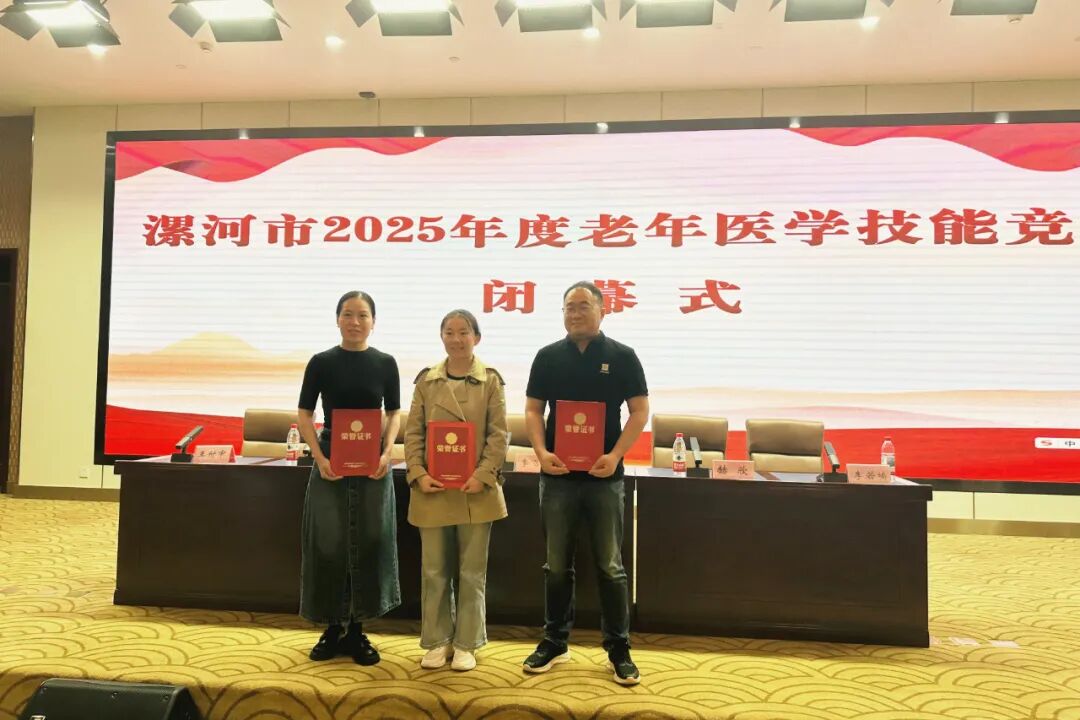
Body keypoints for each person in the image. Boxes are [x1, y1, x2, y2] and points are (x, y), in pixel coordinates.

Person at [521, 281, 649, 686]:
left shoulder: (622, 356)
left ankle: (618, 648)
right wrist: (541, 452)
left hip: (604, 478)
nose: (575, 313)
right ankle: (555, 641)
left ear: (603, 310)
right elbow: (533, 410)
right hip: (557, 477)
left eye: (583, 306)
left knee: (611, 566)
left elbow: (640, 411)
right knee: (556, 565)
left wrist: (616, 455)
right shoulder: (547, 356)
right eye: (569, 307)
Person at [296, 290, 402, 665]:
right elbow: (304, 413)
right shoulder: (321, 362)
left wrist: (387, 452)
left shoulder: (385, 363)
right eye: (347, 314)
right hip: (331, 458)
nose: (355, 322)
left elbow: (394, 413)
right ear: (337, 319)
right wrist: (319, 456)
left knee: (370, 539)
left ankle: (357, 630)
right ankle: (331, 627)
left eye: (362, 315)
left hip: (373, 460)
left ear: (373, 321)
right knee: (329, 541)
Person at [404, 309, 508, 672]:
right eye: (449, 332)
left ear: (476, 338)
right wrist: (418, 473)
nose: (456, 339)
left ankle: (466, 643)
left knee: (471, 572)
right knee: (434, 571)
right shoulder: (427, 381)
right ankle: (437, 640)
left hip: (475, 490)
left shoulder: (490, 380)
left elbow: (499, 435)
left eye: (464, 332)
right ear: (441, 337)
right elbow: (413, 432)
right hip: (432, 490)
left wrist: (483, 474)